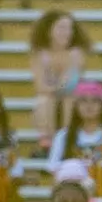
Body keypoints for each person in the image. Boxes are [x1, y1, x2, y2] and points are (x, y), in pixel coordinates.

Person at [28, 10, 90, 151]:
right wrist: (57, 87)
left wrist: (66, 70)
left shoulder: (76, 54)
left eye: (70, 28)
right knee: (44, 100)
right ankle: (47, 142)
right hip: (49, 99)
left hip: (70, 97)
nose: (67, 32)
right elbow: (41, 86)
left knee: (70, 99)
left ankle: (68, 139)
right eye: (62, 28)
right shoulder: (40, 54)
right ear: (49, 31)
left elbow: (72, 85)